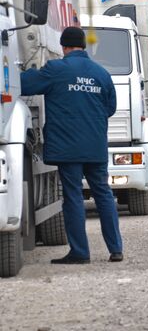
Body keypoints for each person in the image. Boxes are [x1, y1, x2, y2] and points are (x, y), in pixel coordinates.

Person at [20, 27, 123, 264]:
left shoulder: (56, 69)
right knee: (104, 195)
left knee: (73, 196)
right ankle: (116, 249)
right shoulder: (101, 74)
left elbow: (24, 85)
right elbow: (110, 108)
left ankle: (80, 252)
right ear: (84, 46)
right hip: (95, 146)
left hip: (68, 146)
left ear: (64, 47)